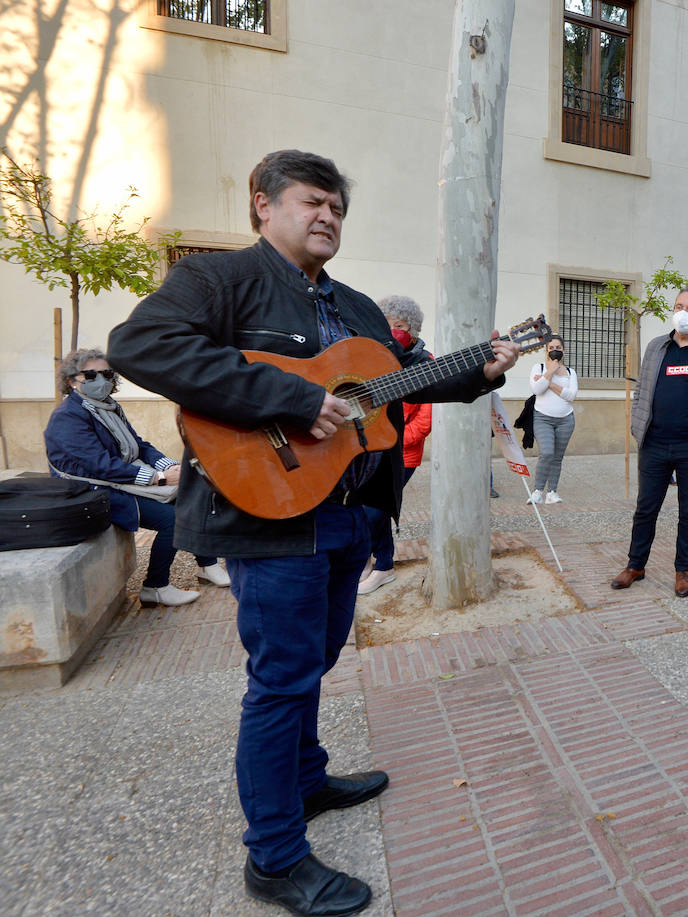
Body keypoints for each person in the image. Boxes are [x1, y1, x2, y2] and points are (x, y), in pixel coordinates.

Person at [107, 150, 518, 917]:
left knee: (316, 659)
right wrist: (292, 398)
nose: (327, 215)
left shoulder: (358, 307)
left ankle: (305, 778)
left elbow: (402, 378)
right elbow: (142, 346)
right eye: (311, 201)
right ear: (263, 204)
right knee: (281, 678)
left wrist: (482, 369)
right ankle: (274, 856)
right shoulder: (219, 280)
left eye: (337, 207)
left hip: (347, 512)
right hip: (267, 512)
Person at [44, 349, 227, 606]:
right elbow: (100, 466)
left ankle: (206, 565)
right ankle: (155, 587)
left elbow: (138, 445)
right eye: (91, 375)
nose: (102, 380)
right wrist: (160, 478)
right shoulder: (68, 417)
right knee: (172, 520)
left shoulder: (107, 406)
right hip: (91, 489)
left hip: (118, 479)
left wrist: (170, 467)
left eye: (107, 374)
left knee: (190, 498)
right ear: (72, 380)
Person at [610, 286, 688, 598]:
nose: (684, 312)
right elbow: (642, 391)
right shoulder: (656, 347)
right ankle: (636, 565)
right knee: (645, 509)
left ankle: (684, 570)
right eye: (680, 305)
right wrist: (638, 425)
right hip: (654, 444)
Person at [358, 295, 433, 596]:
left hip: (403, 456)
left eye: (398, 325)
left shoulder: (424, 363)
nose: (391, 331)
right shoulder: (372, 359)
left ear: (412, 331)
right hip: (369, 453)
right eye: (385, 324)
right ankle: (365, 560)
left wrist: (390, 437)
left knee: (376, 510)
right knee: (362, 508)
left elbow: (424, 422)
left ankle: (384, 566)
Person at [527, 334, 578, 505]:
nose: (555, 351)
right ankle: (537, 491)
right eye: (551, 348)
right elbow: (536, 389)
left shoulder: (571, 372)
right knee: (547, 453)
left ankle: (552, 492)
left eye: (558, 348)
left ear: (563, 350)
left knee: (557, 457)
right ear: (546, 351)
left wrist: (549, 383)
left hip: (566, 420)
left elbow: (571, 396)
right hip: (543, 418)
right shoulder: (539, 368)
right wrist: (549, 372)